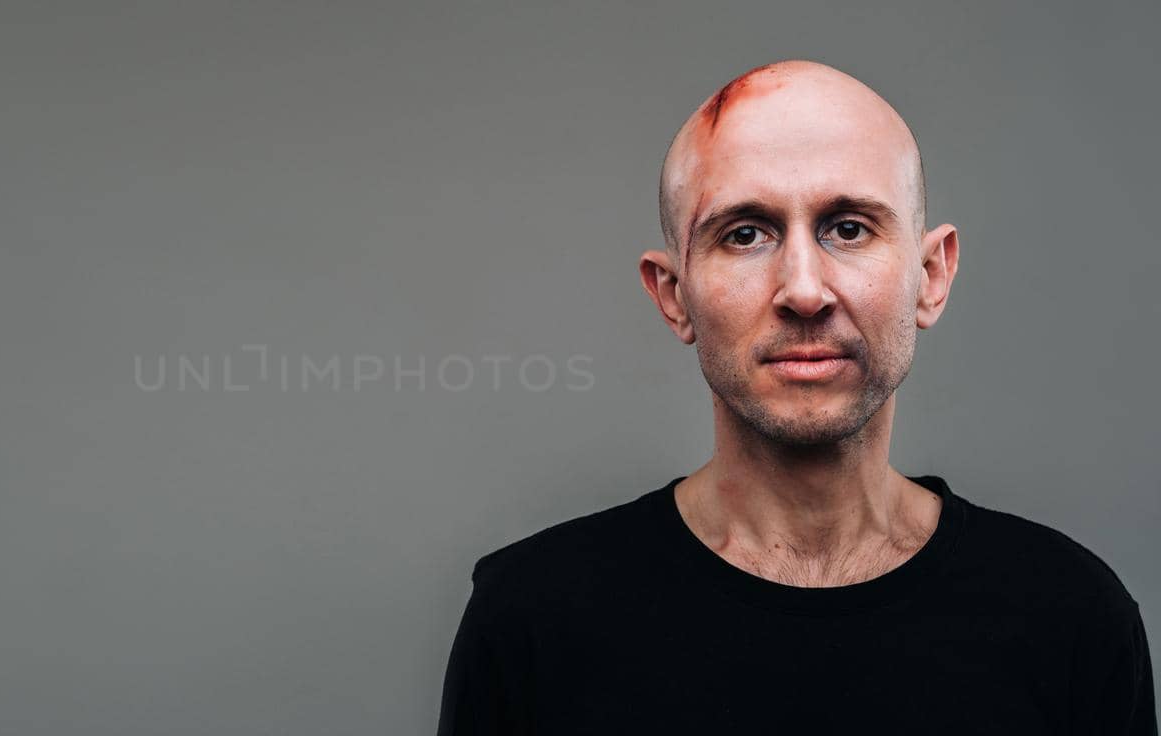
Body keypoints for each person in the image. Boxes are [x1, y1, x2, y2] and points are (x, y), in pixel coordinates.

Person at [436, 59, 1156, 735]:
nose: (805, 291)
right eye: (745, 234)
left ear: (931, 276)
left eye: (849, 228)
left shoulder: (1073, 618)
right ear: (674, 295)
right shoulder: (531, 617)